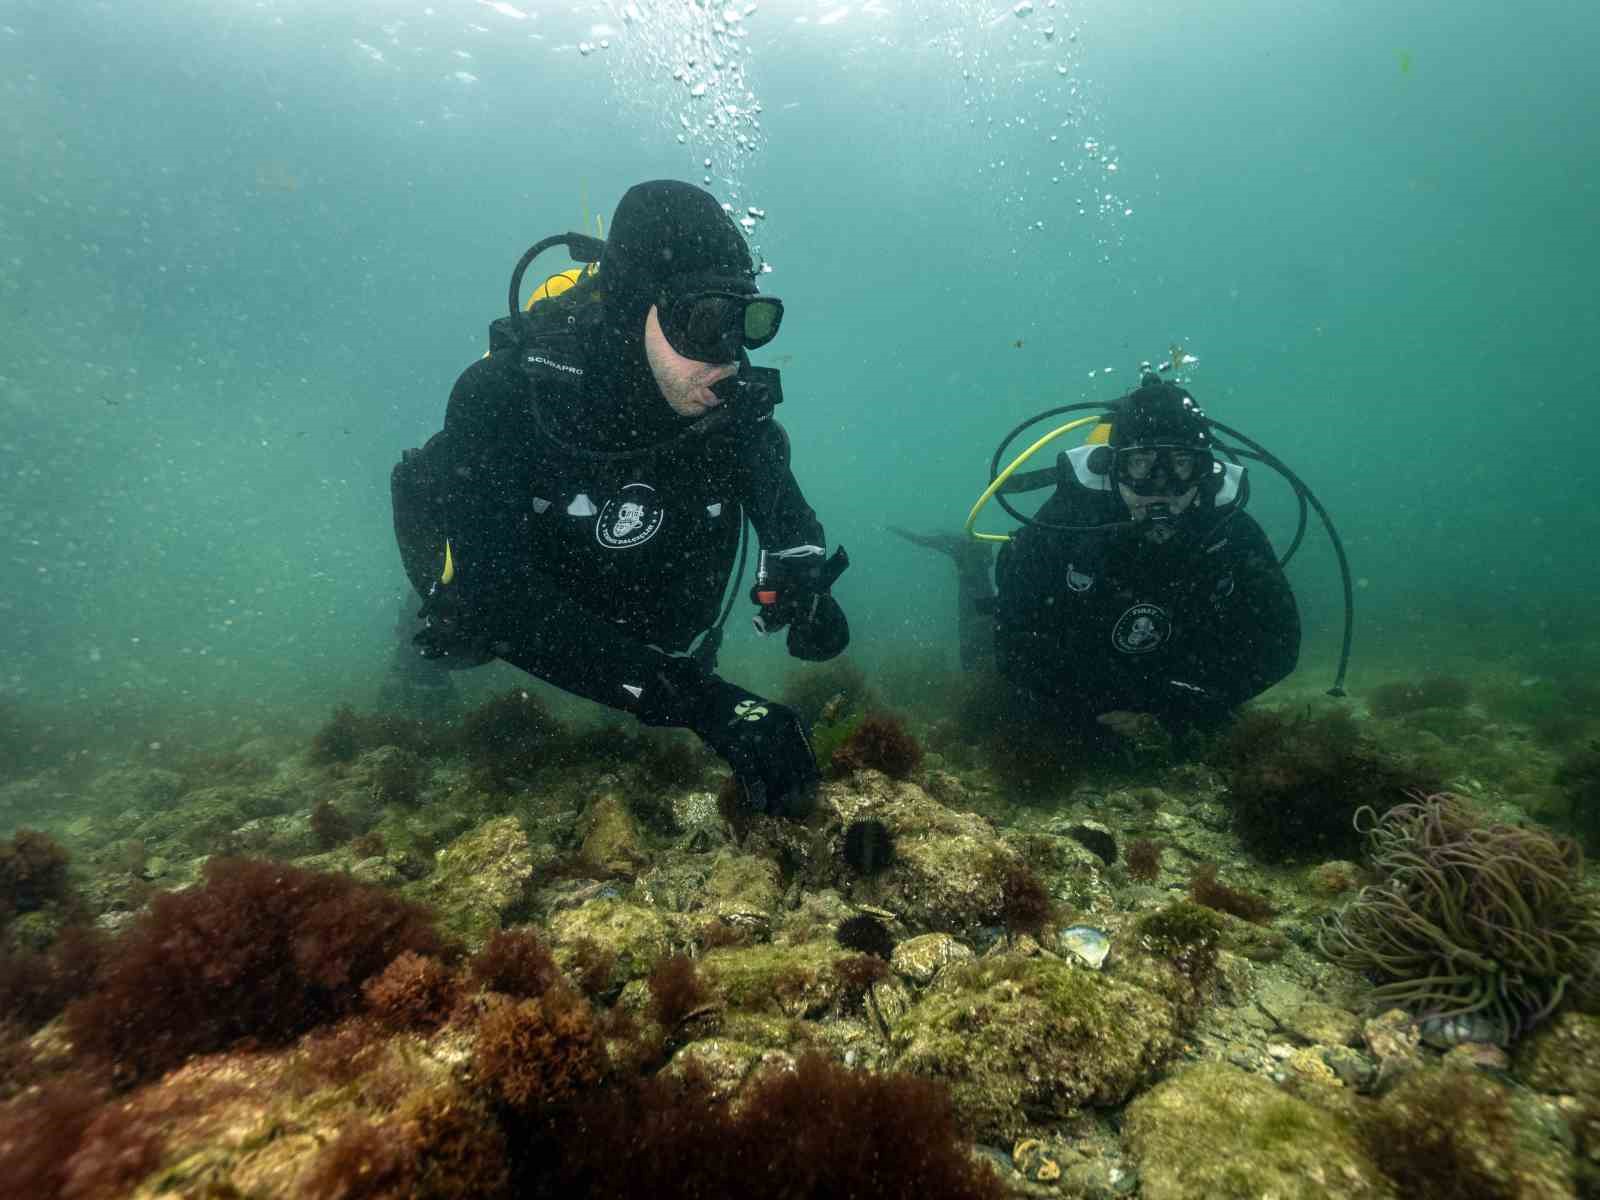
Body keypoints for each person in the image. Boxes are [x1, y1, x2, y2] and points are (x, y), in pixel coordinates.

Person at [391, 180, 849, 816]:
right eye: (703, 322)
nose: (729, 357)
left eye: (746, 323)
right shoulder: (505, 397)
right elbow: (498, 597)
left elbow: (788, 520)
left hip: (639, 606)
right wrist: (702, 702)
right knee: (463, 630)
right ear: (637, 307)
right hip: (531, 592)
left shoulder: (728, 406)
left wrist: (807, 589)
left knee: (667, 625)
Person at [897, 373, 1300, 739]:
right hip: (1076, 676)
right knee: (979, 666)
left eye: (1180, 463)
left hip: (1175, 678)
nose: (1160, 486)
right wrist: (1093, 705)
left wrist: (1179, 707)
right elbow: (1012, 646)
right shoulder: (1069, 521)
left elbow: (1278, 645)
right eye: (1140, 463)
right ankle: (971, 562)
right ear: (1113, 467)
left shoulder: (1230, 531)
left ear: (1205, 471)